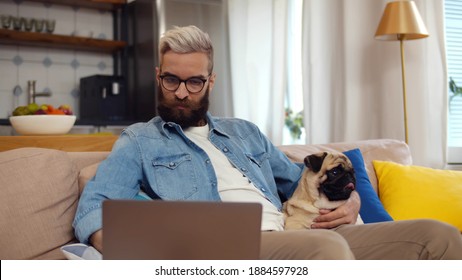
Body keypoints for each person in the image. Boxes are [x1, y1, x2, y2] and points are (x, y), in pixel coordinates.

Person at [73, 25, 462, 260]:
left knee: (439, 236)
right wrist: (138, 251)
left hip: (302, 233)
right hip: (228, 246)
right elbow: (93, 207)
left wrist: (355, 200)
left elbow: (299, 181)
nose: (181, 93)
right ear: (158, 76)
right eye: (171, 80)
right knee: (326, 253)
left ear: (211, 82)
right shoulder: (140, 140)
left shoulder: (245, 131)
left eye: (194, 82)